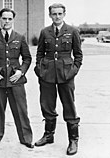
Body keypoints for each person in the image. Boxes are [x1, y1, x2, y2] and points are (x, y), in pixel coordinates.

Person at [34, 3, 83, 155]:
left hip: (66, 74)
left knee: (69, 106)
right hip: (47, 73)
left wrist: (73, 71)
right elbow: (40, 52)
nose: (57, 16)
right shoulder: (45, 32)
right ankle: (49, 135)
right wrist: (39, 69)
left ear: (64, 14)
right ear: (50, 15)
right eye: (54, 14)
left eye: (59, 14)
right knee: (47, 105)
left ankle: (73, 140)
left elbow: (78, 55)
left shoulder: (72, 31)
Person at [0, 8, 34, 148]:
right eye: (4, 18)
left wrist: (21, 72)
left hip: (15, 80)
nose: (7, 21)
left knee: (21, 110)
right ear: (0, 19)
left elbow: (27, 58)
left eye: (10, 19)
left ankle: (26, 138)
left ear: (13, 20)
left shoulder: (20, 37)